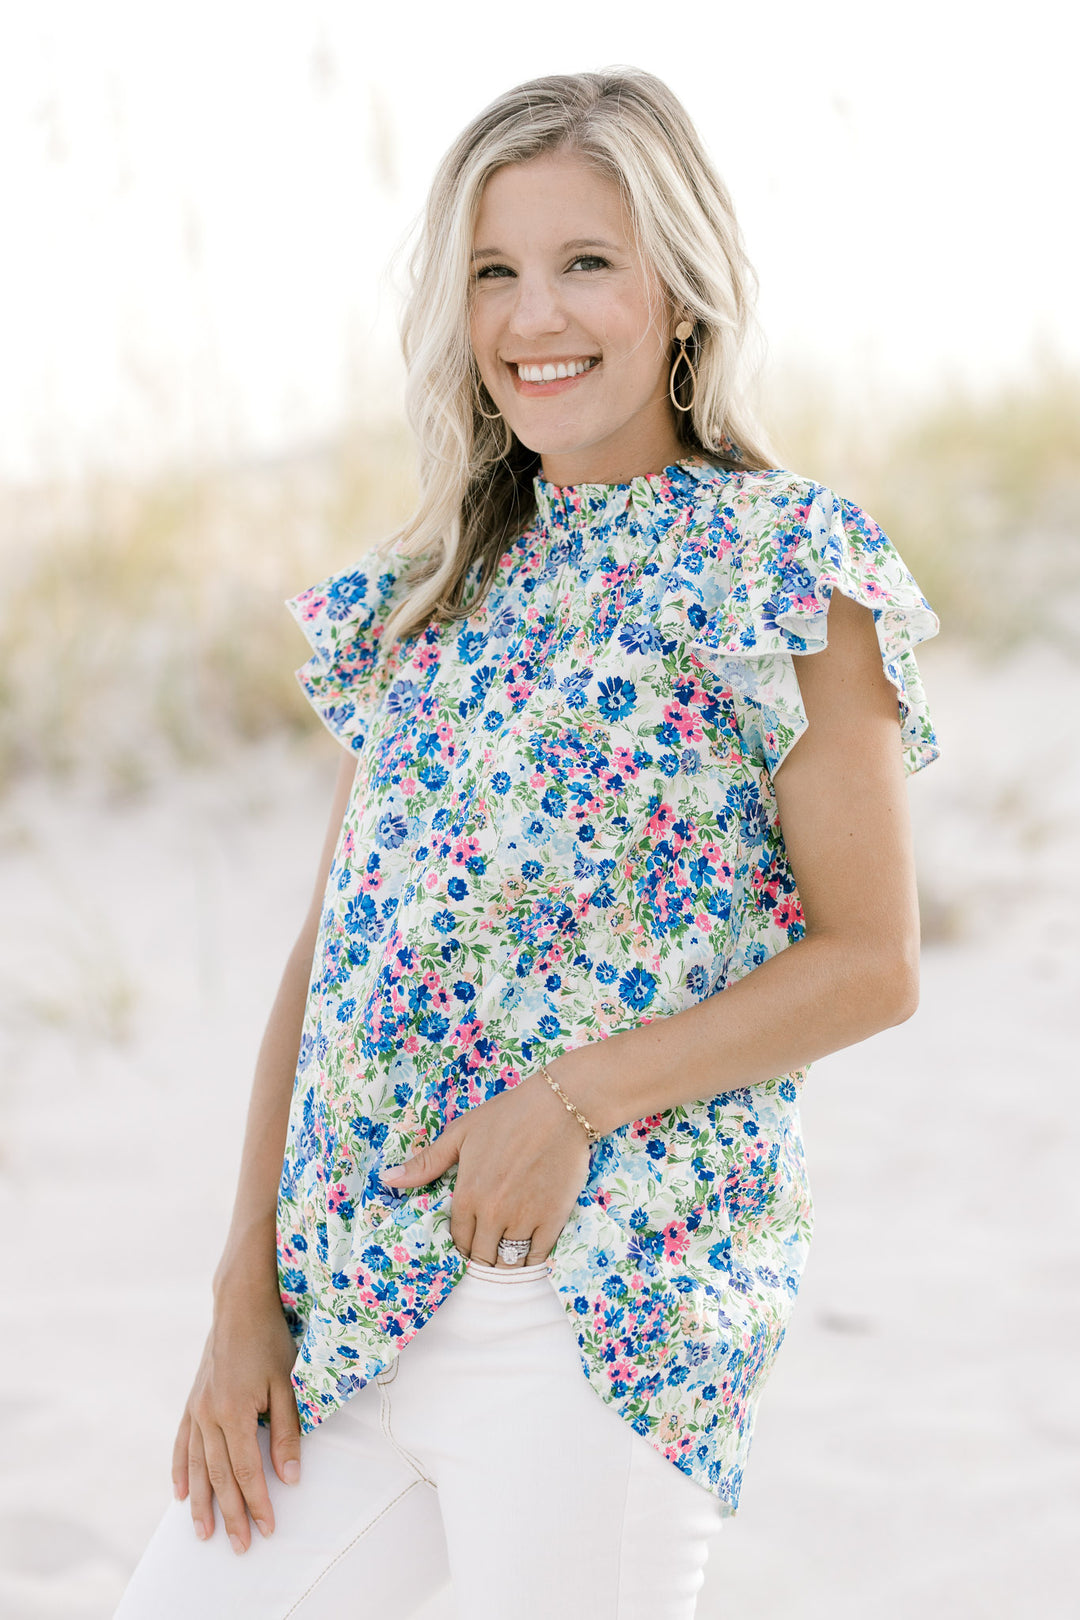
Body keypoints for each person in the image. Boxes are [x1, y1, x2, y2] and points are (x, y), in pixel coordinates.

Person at [114, 67, 942, 1620]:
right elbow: (329, 954)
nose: (530, 316)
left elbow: (874, 962)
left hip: (600, 1318)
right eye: (493, 271)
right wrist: (247, 1283)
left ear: (680, 294)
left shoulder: (788, 569)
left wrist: (569, 1102)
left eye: (585, 264)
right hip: (346, 1315)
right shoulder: (428, 594)